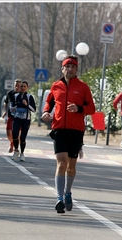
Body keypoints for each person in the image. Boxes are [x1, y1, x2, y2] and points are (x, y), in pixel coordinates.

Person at [41, 55, 95, 214]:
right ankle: (59, 198)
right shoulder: (56, 86)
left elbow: (91, 108)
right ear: (62, 68)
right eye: (67, 66)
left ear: (76, 69)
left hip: (76, 130)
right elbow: (49, 102)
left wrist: (78, 109)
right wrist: (45, 112)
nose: (70, 69)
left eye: (73, 67)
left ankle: (68, 192)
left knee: (71, 167)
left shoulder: (83, 87)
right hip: (59, 129)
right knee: (61, 163)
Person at [10, 80, 36, 162]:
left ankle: (22, 154)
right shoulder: (15, 96)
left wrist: (27, 105)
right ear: (19, 87)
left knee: (23, 137)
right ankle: (16, 150)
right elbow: (12, 107)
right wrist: (13, 109)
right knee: (14, 134)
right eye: (21, 86)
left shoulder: (29, 97)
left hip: (26, 120)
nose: (23, 88)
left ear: (27, 88)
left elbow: (34, 109)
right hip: (17, 118)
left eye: (24, 86)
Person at [2, 79, 21, 153]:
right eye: (16, 85)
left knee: (17, 133)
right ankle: (12, 142)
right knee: (9, 133)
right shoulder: (10, 93)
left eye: (19, 86)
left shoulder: (23, 95)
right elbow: (6, 102)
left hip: (19, 117)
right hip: (11, 116)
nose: (17, 87)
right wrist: (5, 111)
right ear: (14, 86)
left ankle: (15, 147)